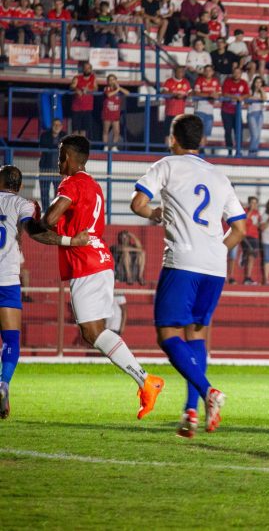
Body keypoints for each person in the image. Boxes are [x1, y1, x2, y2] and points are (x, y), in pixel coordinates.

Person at [130, 114, 247, 437]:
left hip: (182, 261)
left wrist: (154, 213)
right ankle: (191, 411)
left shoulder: (167, 165)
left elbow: (138, 203)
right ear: (202, 141)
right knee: (196, 335)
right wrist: (216, 250)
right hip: (215, 267)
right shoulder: (220, 176)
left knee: (167, 335)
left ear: (173, 138)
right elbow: (240, 229)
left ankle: (208, 392)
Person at [39, 135, 164, 419]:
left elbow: (49, 219)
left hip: (85, 262)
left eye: (60, 156)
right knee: (93, 331)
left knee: (92, 332)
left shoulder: (71, 183)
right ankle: (145, 381)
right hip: (100, 259)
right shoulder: (95, 186)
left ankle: (146, 380)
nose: (58, 162)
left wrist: (40, 224)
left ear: (68, 157)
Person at [0, 165, 91, 418]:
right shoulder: (23, 204)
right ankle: (3, 383)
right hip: (7, 280)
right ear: (19, 186)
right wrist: (70, 241)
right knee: (10, 339)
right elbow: (35, 232)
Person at [221, 66, 250, 156]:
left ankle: (238, 150)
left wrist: (242, 97)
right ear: (232, 73)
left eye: (238, 73)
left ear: (241, 74)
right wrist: (236, 97)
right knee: (228, 131)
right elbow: (225, 93)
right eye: (235, 72)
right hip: (226, 111)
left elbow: (247, 94)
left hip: (237, 112)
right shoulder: (227, 81)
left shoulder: (243, 83)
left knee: (239, 131)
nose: (236, 74)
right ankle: (229, 151)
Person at [38, 118, 66, 209]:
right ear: (51, 126)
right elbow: (44, 145)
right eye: (55, 125)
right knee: (44, 191)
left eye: (59, 125)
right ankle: (45, 211)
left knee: (58, 192)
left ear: (61, 127)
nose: (57, 127)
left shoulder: (64, 136)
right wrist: (57, 146)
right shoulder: (44, 135)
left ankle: (55, 211)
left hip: (59, 170)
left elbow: (67, 148)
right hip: (45, 168)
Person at [193, 65, 221, 148]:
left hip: (210, 110)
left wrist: (216, 95)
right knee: (200, 132)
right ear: (204, 72)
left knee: (206, 133)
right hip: (200, 109)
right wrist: (209, 95)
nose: (208, 72)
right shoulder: (199, 80)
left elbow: (219, 93)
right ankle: (200, 151)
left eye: (210, 70)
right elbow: (197, 93)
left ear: (212, 72)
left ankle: (202, 150)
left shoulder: (215, 81)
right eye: (206, 70)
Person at [162, 67, 192, 144]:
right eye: (178, 71)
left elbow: (191, 93)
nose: (180, 73)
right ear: (175, 72)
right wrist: (174, 95)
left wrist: (185, 95)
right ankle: (167, 149)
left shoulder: (186, 82)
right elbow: (164, 92)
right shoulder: (169, 81)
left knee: (179, 133)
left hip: (180, 113)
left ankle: (177, 149)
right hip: (170, 112)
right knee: (168, 133)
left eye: (182, 72)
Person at [101, 74, 129, 152]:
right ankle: (105, 146)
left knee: (116, 131)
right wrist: (117, 90)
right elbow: (109, 95)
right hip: (107, 113)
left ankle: (114, 146)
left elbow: (127, 93)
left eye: (113, 79)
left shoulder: (118, 89)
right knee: (105, 131)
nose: (111, 81)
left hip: (116, 114)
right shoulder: (106, 88)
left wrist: (119, 88)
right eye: (110, 80)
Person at [70, 62, 96, 137]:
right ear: (82, 69)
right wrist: (77, 89)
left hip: (87, 108)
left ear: (91, 69)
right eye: (85, 68)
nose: (86, 69)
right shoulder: (77, 78)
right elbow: (72, 86)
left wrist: (88, 90)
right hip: (77, 108)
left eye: (88, 68)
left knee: (84, 130)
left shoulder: (93, 78)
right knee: (75, 130)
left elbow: (95, 88)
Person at [240, 196, 261, 285]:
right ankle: (243, 256)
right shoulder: (245, 211)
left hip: (255, 236)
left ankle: (248, 277)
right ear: (249, 203)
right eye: (252, 202)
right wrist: (250, 211)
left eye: (255, 203)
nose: (254, 204)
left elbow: (257, 225)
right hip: (246, 235)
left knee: (252, 256)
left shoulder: (257, 213)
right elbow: (243, 222)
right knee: (250, 252)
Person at [247, 76, 267, 156]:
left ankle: (254, 152)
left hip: (260, 114)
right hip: (252, 114)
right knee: (254, 135)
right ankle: (251, 153)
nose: (258, 84)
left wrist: (261, 90)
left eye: (260, 82)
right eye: (257, 82)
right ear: (254, 83)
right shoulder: (250, 91)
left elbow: (264, 99)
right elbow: (248, 100)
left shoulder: (262, 92)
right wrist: (255, 98)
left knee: (258, 135)